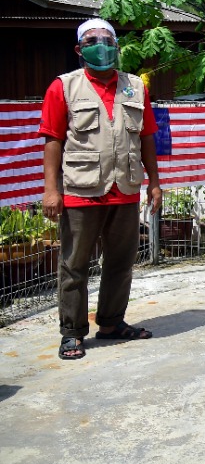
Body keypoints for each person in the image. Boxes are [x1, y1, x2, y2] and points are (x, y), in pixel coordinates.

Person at [40, 18, 162, 360]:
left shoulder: (135, 86)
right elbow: (53, 140)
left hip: (124, 188)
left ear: (117, 47)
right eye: (93, 39)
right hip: (81, 189)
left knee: (121, 263)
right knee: (74, 265)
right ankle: (72, 332)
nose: (102, 45)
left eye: (108, 39)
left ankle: (111, 323)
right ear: (80, 49)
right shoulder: (63, 87)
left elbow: (147, 136)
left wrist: (155, 182)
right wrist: (52, 190)